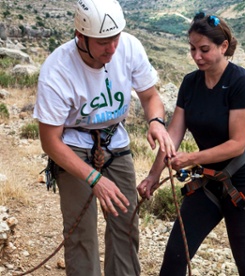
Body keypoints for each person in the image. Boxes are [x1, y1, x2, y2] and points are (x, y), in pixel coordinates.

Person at [33, 0, 174, 275]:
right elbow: (50, 141)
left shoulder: (129, 47)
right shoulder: (57, 70)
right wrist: (94, 178)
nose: (111, 48)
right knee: (81, 231)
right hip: (72, 144)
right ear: (80, 37)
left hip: (114, 140)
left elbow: (150, 96)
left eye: (115, 39)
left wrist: (156, 122)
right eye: (102, 42)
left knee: (126, 223)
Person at [137, 12, 245, 276]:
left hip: (244, 182)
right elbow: (173, 135)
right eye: (193, 49)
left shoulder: (241, 83)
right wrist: (153, 176)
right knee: (176, 255)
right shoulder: (190, 83)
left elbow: (237, 144)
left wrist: (191, 158)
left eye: (204, 49)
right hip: (208, 181)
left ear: (223, 47)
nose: (197, 56)